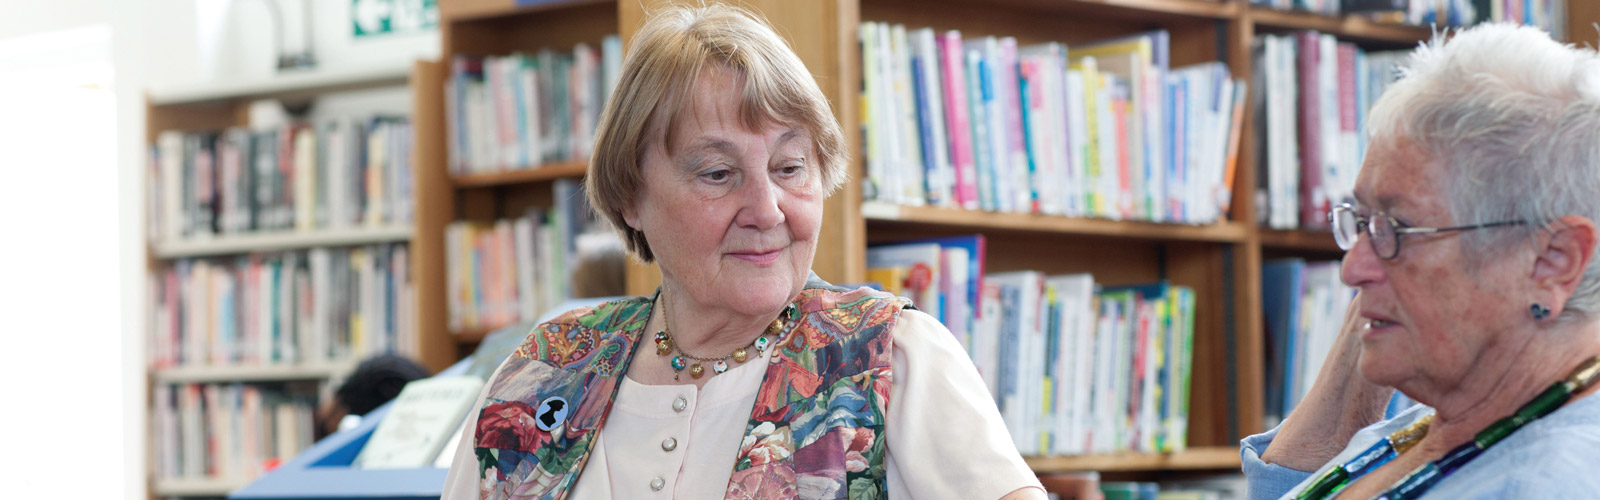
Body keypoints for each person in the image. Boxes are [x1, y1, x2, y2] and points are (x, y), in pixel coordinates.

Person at [441, 4, 1045, 499]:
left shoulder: (890, 360)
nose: (768, 208)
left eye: (789, 167)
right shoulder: (542, 371)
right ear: (630, 195)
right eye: (717, 173)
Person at [1241, 22, 1600, 499]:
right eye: (1362, 220)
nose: (1351, 271)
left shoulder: (1548, 483)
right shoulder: (1427, 427)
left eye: (1401, 229)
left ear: (1552, 261)